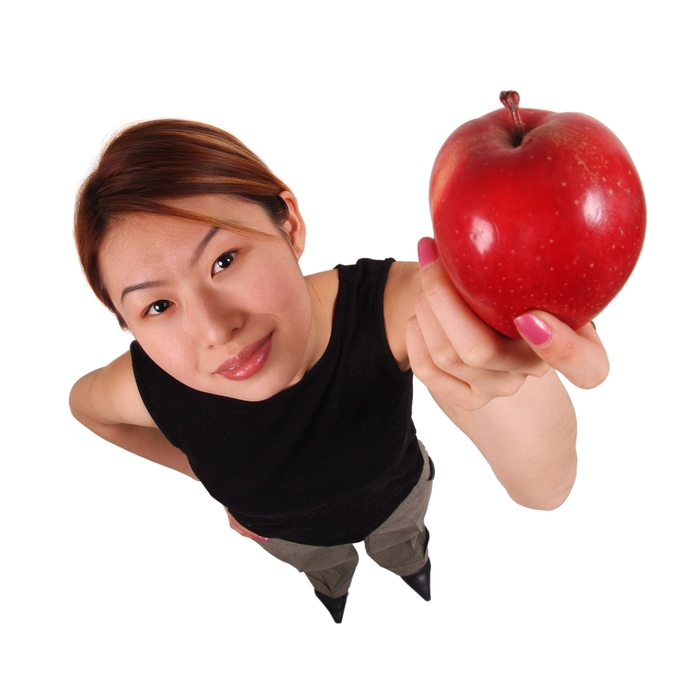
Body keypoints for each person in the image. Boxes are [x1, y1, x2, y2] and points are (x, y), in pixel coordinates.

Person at [69, 119, 608, 623]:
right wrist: (201, 472)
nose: (214, 330)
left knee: (402, 542)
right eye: (157, 307)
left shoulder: (388, 307)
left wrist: (495, 351)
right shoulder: (145, 383)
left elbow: (545, 488)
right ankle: (332, 582)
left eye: (224, 260)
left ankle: (408, 562)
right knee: (322, 566)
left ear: (289, 222)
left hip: (397, 499)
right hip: (282, 536)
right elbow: (87, 410)